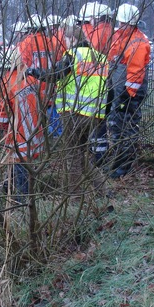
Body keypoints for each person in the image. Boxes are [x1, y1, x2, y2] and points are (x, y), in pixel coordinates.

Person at [53, 25, 110, 192]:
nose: (65, 43)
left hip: (74, 113)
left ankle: (73, 195)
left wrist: (35, 72)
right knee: (81, 154)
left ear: (73, 39)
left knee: (72, 155)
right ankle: (103, 189)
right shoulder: (101, 58)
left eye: (66, 39)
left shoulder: (72, 56)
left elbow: (55, 75)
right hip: (93, 115)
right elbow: (110, 89)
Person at [106, 3, 151, 178]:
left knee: (127, 128)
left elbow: (136, 71)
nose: (119, 25)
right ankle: (118, 162)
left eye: (121, 22)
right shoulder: (121, 37)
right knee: (117, 126)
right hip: (121, 89)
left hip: (129, 92)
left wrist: (127, 95)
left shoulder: (137, 42)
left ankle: (124, 165)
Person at [0, 48, 45, 197]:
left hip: (18, 134)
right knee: (25, 165)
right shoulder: (31, 78)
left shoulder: (7, 83)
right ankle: (9, 186)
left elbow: (2, 114)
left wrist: (3, 128)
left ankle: (21, 200)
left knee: (20, 166)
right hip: (35, 132)